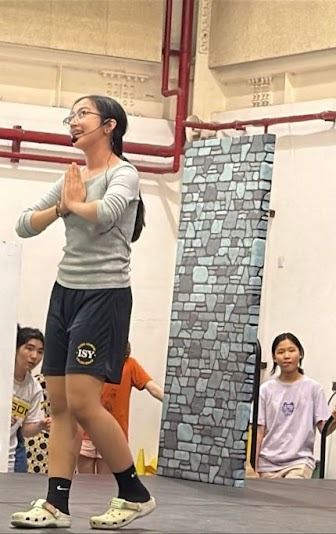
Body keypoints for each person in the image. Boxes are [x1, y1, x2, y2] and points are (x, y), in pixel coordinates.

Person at [11, 93, 154, 530]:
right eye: (71, 116)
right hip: (65, 294)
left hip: (104, 295)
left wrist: (72, 206)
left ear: (109, 125)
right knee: (59, 405)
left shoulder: (124, 173)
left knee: (84, 403)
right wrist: (61, 206)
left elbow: (106, 215)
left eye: (83, 114)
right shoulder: (72, 176)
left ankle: (134, 493)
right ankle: (56, 504)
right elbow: (23, 223)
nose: (74, 122)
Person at [255, 333, 336, 480]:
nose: (286, 356)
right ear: (274, 357)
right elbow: (259, 431)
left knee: (291, 488)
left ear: (300, 353)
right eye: (281, 352)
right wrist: (252, 465)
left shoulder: (314, 389)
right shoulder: (265, 390)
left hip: (299, 462)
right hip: (267, 464)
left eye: (291, 350)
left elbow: (324, 430)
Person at [77, 354, 164, 475]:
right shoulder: (90, 359)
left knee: (105, 482)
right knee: (84, 481)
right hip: (86, 432)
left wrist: (172, 402)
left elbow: (152, 388)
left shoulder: (130, 364)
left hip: (112, 435)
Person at [11, 327, 49, 473]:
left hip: (12, 454)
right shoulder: (4, 376)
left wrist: (40, 425)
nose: (34, 356)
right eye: (29, 348)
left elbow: (26, 430)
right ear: (16, 348)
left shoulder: (34, 387)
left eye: (40, 352)